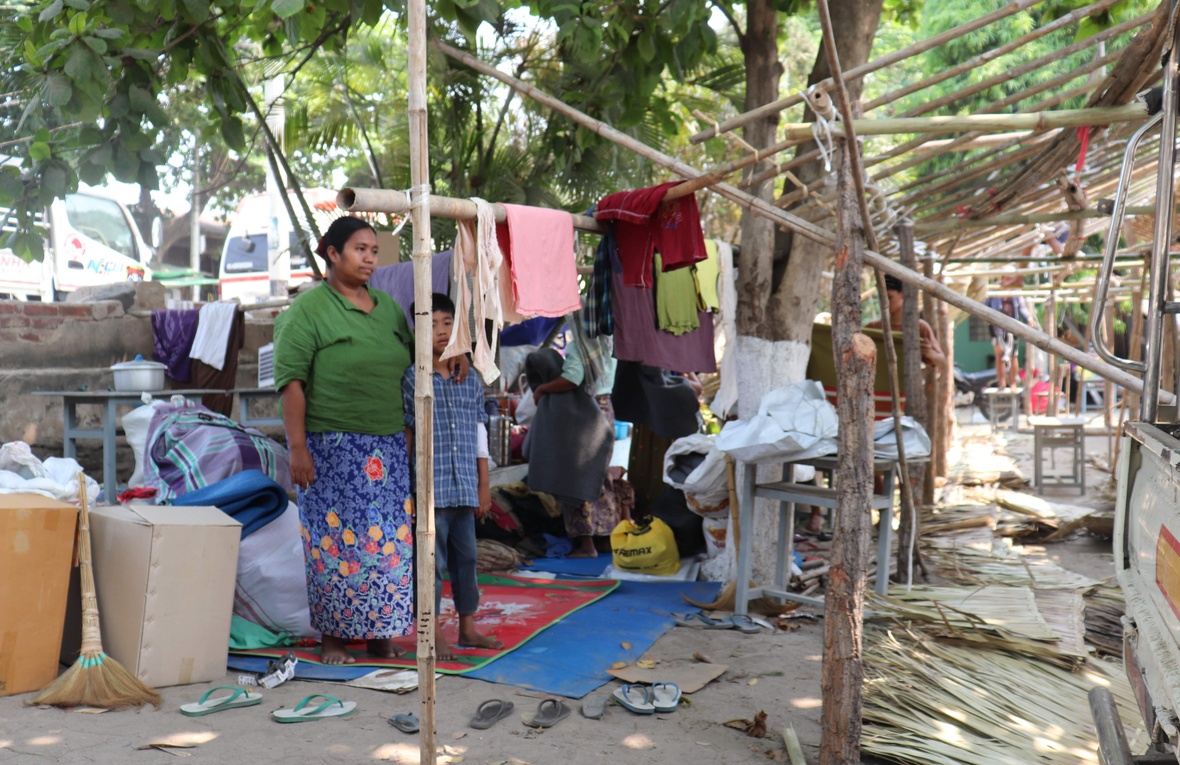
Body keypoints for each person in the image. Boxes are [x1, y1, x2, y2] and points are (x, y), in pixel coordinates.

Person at [274, 216, 466, 665]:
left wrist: (459, 351)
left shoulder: (387, 307)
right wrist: (297, 448)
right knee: (336, 543)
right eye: (359, 249)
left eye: (374, 251)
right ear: (333, 253)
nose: (369, 259)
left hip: (388, 447)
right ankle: (334, 640)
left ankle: (380, 635)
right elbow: (291, 383)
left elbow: (419, 353)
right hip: (332, 448)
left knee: (388, 544)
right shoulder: (308, 312)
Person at [402, 293, 503, 661]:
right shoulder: (414, 377)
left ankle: (467, 627)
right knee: (432, 563)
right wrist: (408, 487)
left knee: (467, 558)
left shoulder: (470, 378)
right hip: (431, 490)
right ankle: (432, 633)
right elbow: (409, 434)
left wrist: (484, 485)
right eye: (432, 325)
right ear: (418, 331)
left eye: (448, 324)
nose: (442, 332)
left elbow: (480, 434)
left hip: (464, 487)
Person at [526, 315, 615, 558]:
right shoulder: (609, 342)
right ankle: (606, 540)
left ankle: (586, 545)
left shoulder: (580, 347)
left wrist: (543, 389)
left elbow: (571, 379)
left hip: (585, 415)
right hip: (606, 409)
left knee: (576, 479)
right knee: (600, 477)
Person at [984, 270, 1032, 390]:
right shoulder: (994, 289)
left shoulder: (1015, 291)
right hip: (997, 328)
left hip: (1012, 328)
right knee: (999, 356)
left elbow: (1022, 307)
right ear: (1003, 278)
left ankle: (1013, 382)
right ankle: (1001, 383)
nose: (1009, 281)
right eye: (1007, 278)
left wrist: (1029, 319)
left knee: (1013, 355)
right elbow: (985, 305)